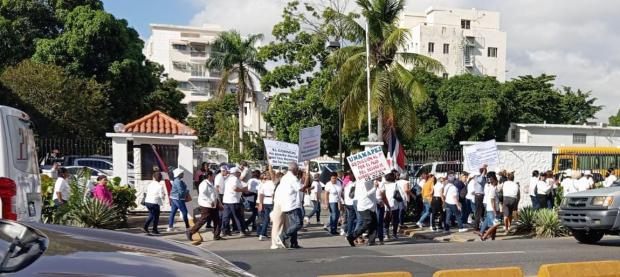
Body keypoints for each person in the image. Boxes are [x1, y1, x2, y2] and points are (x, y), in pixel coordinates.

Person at [278, 162, 310, 249]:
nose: (298, 171)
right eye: (297, 169)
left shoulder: (284, 177)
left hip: (286, 204)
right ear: (294, 169)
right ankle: (283, 235)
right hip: (293, 204)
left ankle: (293, 243)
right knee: (298, 223)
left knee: (293, 224)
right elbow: (301, 189)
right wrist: (307, 179)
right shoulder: (292, 178)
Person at [346, 177, 385, 247]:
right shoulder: (363, 182)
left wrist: (378, 201)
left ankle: (371, 241)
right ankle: (352, 236)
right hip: (364, 206)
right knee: (368, 222)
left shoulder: (370, 182)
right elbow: (366, 194)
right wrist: (375, 187)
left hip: (371, 207)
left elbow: (372, 196)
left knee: (374, 223)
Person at [187, 170, 223, 241]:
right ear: (209, 176)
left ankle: (216, 235)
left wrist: (219, 203)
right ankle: (190, 232)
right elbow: (203, 195)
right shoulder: (204, 184)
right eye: (213, 175)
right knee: (203, 220)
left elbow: (215, 195)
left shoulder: (211, 183)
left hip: (213, 205)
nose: (214, 176)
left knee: (217, 220)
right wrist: (210, 201)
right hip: (206, 205)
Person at [221, 167, 249, 237]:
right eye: (239, 173)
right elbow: (235, 188)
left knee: (226, 216)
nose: (240, 174)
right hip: (233, 200)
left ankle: (225, 231)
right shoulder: (234, 179)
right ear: (236, 173)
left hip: (227, 200)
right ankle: (242, 231)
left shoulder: (228, 179)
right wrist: (243, 190)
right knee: (237, 216)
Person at [479, 175, 500, 241]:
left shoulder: (492, 188)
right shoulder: (492, 189)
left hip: (491, 209)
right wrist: (494, 211)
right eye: (497, 181)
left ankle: (492, 238)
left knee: (493, 225)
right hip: (491, 209)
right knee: (496, 224)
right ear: (495, 181)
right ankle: (484, 236)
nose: (497, 182)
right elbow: (492, 200)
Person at [382, 172, 403, 239]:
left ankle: (386, 234)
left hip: (385, 205)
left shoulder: (383, 185)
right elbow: (400, 194)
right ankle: (394, 234)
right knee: (395, 221)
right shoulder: (396, 184)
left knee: (386, 221)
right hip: (394, 205)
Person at [258, 171, 276, 241]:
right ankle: (275, 234)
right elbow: (274, 194)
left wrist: (261, 203)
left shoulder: (264, 184)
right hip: (272, 201)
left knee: (266, 219)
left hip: (265, 201)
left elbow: (261, 194)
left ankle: (262, 234)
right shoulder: (273, 184)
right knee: (274, 218)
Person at [473, 165, 488, 231]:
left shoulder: (477, 177)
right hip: (479, 196)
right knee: (479, 212)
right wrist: (484, 169)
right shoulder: (479, 178)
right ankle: (476, 227)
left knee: (480, 212)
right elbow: (481, 179)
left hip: (479, 196)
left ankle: (480, 225)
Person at [343, 173, 357, 237]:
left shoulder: (347, 184)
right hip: (352, 203)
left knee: (350, 218)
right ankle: (350, 233)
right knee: (353, 219)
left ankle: (348, 231)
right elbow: (351, 195)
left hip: (347, 203)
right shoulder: (354, 184)